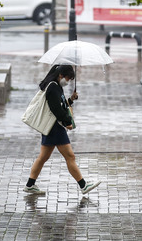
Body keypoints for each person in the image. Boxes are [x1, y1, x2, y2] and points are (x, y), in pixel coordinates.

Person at [24, 64, 101, 196]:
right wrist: (67, 122)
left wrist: (71, 100)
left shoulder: (56, 85)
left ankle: (30, 185)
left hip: (52, 127)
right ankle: (83, 185)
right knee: (70, 156)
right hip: (55, 127)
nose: (69, 81)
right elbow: (56, 109)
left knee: (43, 157)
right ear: (61, 75)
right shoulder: (53, 87)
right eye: (68, 78)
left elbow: (61, 104)